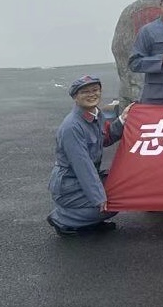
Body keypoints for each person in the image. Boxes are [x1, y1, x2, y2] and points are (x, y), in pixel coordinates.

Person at [47, 75, 128, 236]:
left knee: (121, 190)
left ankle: (87, 221)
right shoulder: (72, 127)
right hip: (69, 185)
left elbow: (105, 138)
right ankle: (62, 219)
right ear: (75, 97)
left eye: (95, 90)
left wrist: (122, 120)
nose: (92, 94)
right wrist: (99, 198)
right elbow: (83, 166)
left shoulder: (95, 115)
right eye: (85, 92)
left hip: (83, 179)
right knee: (111, 204)